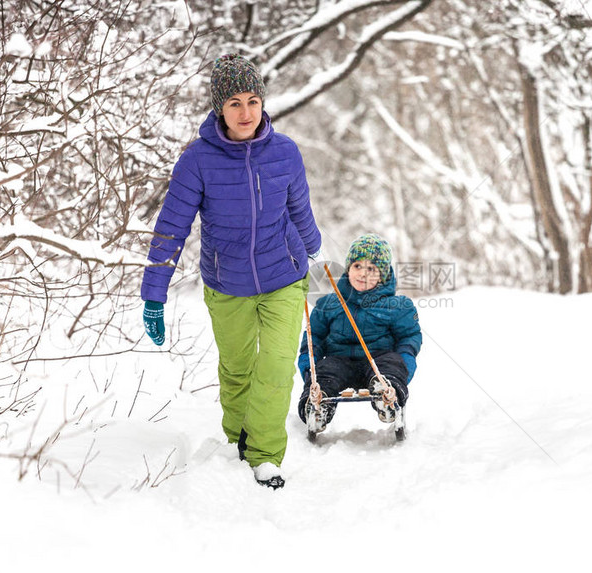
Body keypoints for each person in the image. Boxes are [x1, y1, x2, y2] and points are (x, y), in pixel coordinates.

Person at [141, 54, 321, 490]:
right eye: (236, 103)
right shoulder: (197, 161)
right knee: (238, 368)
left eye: (254, 101)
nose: (246, 112)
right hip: (228, 283)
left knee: (278, 366)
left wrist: (314, 248)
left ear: (263, 103)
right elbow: (172, 227)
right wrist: (154, 292)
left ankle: (264, 455)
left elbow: (299, 208)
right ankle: (239, 438)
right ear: (219, 107)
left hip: (284, 274)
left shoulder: (285, 151)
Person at [297, 234, 421, 431]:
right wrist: (309, 369)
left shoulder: (398, 306)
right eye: (357, 266)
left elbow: (408, 338)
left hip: (378, 361)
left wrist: (405, 363)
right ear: (348, 269)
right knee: (325, 370)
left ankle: (387, 396)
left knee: (391, 363)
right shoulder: (328, 304)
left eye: (371, 268)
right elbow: (314, 339)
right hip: (339, 360)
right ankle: (319, 405)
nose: (363, 273)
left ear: (383, 275)